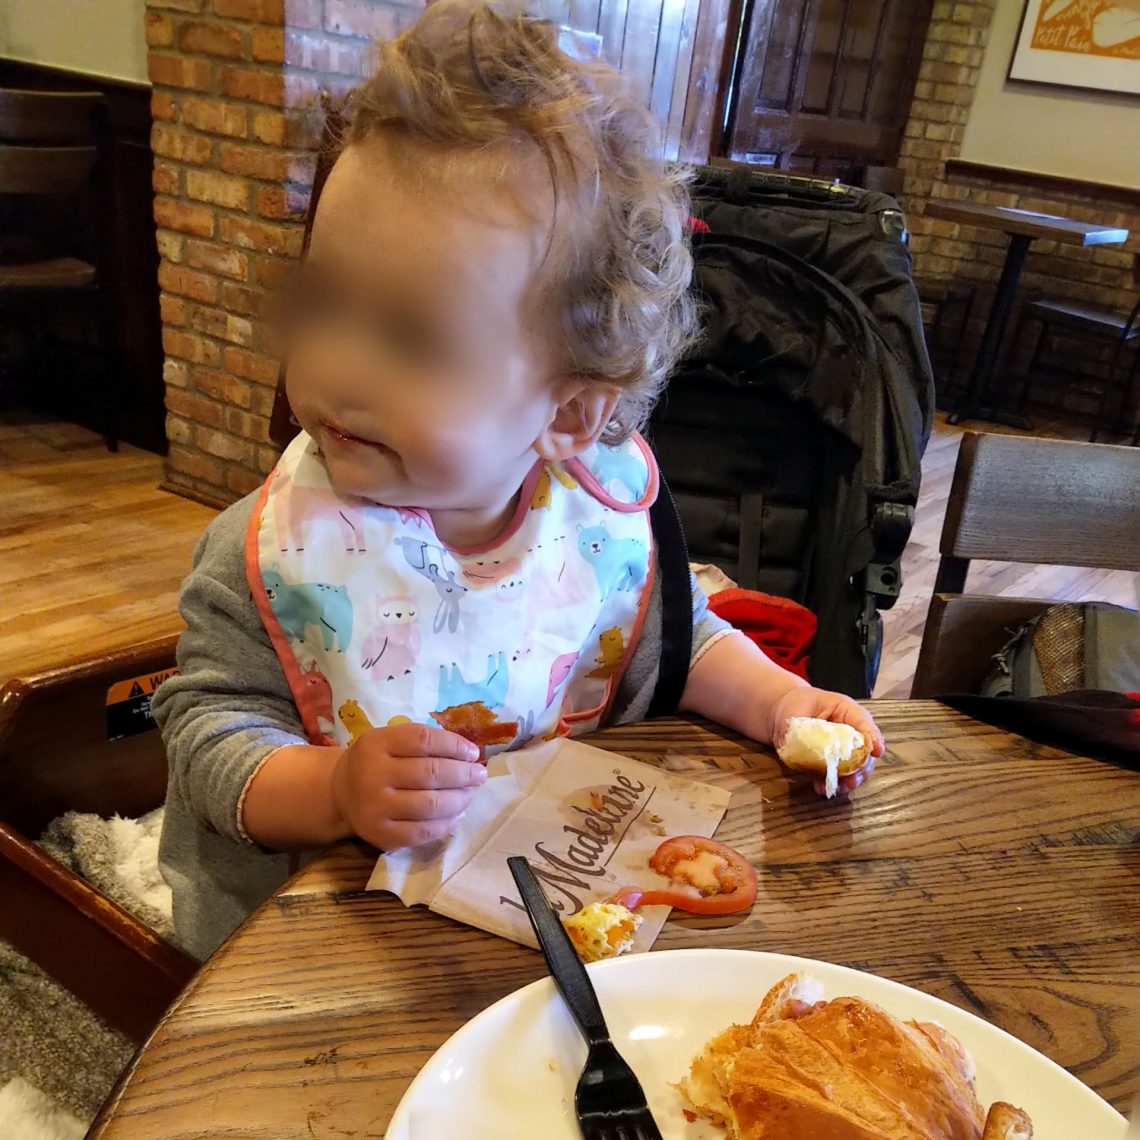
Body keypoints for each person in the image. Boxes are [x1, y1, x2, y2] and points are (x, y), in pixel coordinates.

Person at [152, 0, 883, 961]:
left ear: (568, 417)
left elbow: (673, 640)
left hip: (511, 898)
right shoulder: (274, 550)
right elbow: (205, 737)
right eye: (323, 301)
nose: (338, 367)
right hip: (298, 949)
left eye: (412, 338)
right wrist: (332, 791)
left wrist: (782, 702)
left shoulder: (590, 519)